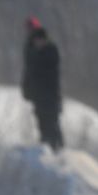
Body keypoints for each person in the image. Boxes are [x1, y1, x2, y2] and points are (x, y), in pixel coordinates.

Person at [21, 17, 63, 152]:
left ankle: (58, 150)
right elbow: (28, 71)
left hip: (50, 96)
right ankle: (46, 149)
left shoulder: (50, 50)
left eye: (32, 27)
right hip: (38, 96)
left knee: (53, 124)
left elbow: (51, 74)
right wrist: (26, 89)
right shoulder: (29, 48)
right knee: (42, 123)